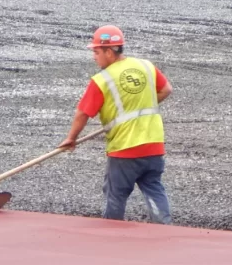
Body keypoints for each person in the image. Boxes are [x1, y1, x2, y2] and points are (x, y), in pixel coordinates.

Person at [60, 25, 173, 224]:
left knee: (116, 194)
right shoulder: (145, 66)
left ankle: (111, 235)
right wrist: (140, 105)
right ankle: (165, 227)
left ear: (109, 52)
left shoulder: (102, 80)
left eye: (96, 52)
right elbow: (166, 90)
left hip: (125, 149)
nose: (94, 56)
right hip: (154, 145)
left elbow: (83, 113)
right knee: (154, 189)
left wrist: (71, 138)